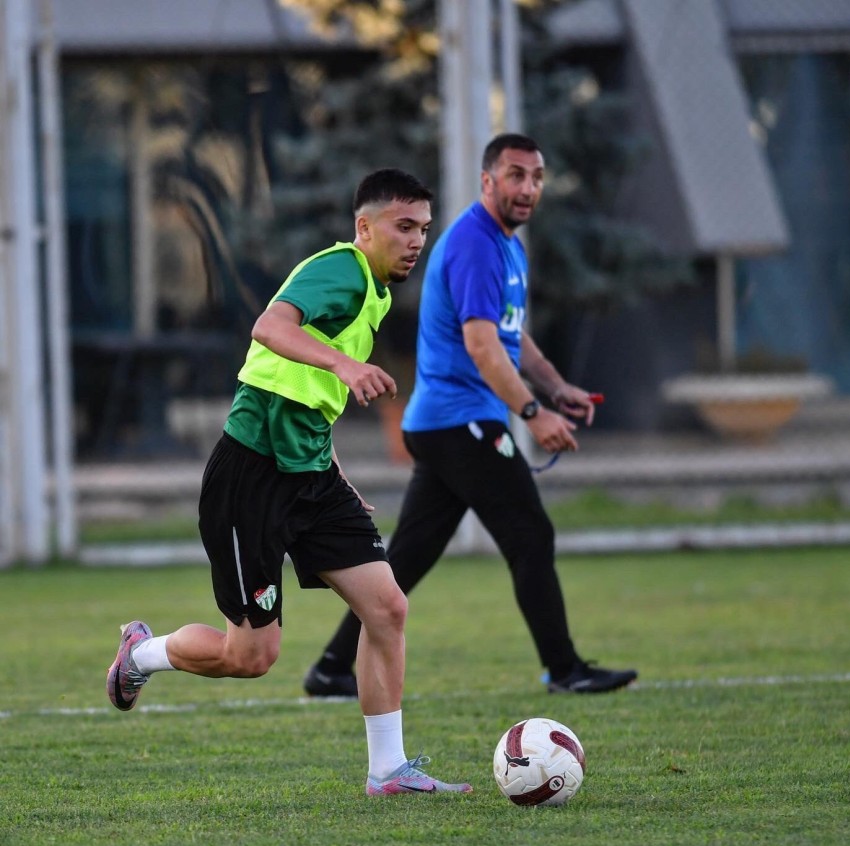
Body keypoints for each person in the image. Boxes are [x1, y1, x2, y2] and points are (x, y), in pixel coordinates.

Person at [106, 168, 472, 797]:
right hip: (250, 478)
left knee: (387, 608)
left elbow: (302, 397)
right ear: (364, 228)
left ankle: (388, 771)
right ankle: (140, 653)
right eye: (403, 226)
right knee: (251, 657)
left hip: (311, 474)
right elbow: (270, 328)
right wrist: (346, 364)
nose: (416, 241)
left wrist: (336, 474)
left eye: (423, 229)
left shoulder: (375, 294)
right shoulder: (340, 269)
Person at [304, 134, 638, 699]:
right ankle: (565, 670)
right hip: (462, 422)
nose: (528, 187)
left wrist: (556, 387)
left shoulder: (507, 245)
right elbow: (482, 346)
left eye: (536, 177)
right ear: (488, 181)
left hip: (446, 423)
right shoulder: (474, 243)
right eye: (515, 175)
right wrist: (532, 413)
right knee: (530, 534)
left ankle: (332, 667)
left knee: (409, 555)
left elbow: (510, 334)